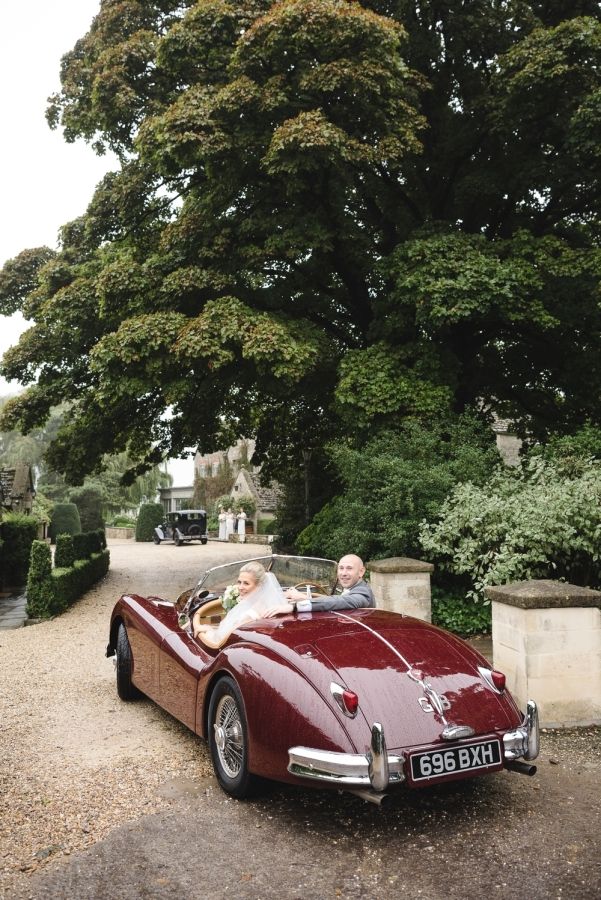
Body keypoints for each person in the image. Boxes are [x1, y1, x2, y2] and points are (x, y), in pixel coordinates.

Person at [193, 561, 288, 649]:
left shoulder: (252, 614)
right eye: (239, 582)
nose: (240, 587)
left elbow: (225, 639)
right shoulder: (259, 603)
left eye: (246, 583)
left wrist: (208, 630)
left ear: (260, 585)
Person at [281, 554, 375, 613]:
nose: (344, 573)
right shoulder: (352, 587)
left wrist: (296, 606)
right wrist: (306, 598)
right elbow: (336, 599)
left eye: (349, 568)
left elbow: (341, 601)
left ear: (361, 572)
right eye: (341, 568)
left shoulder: (363, 593)